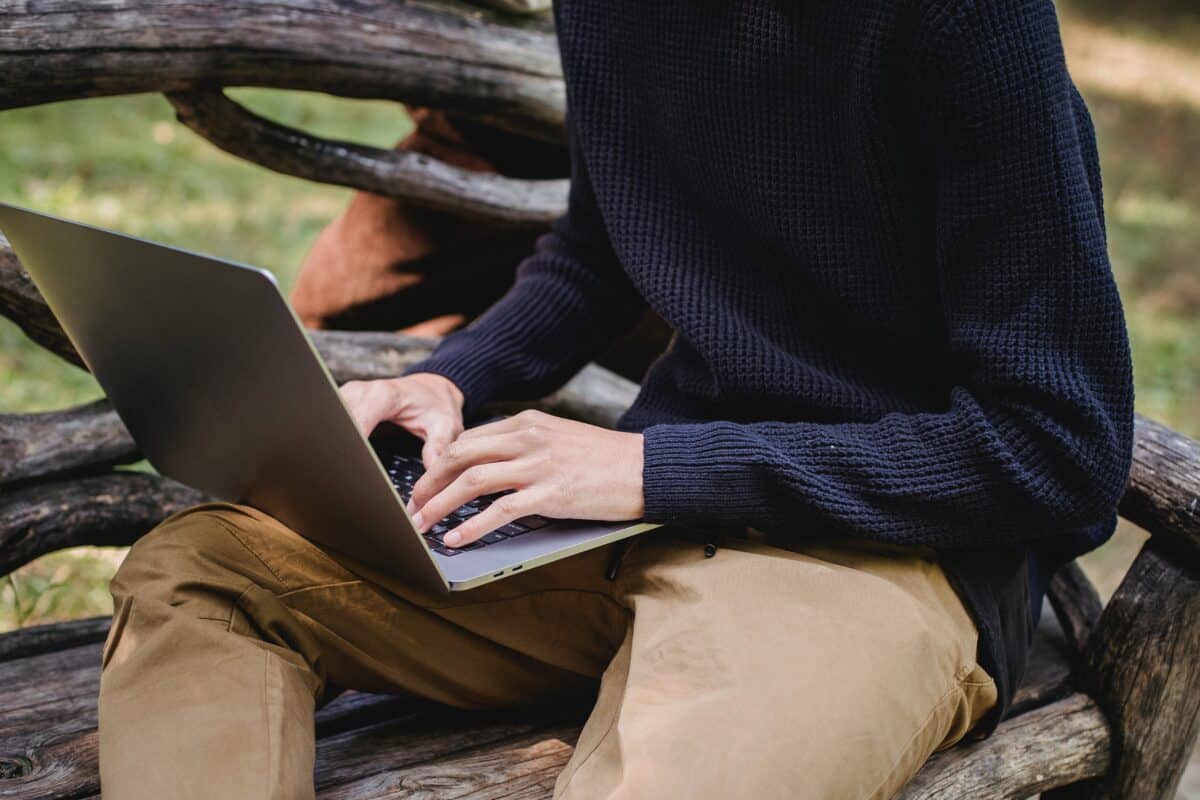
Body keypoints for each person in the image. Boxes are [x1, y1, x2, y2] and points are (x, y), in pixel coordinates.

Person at [97, 1, 1134, 798]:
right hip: (639, 521)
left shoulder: (968, 23)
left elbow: (1059, 452)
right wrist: (450, 377)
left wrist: (650, 467)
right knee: (205, 570)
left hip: (875, 561)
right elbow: (600, 252)